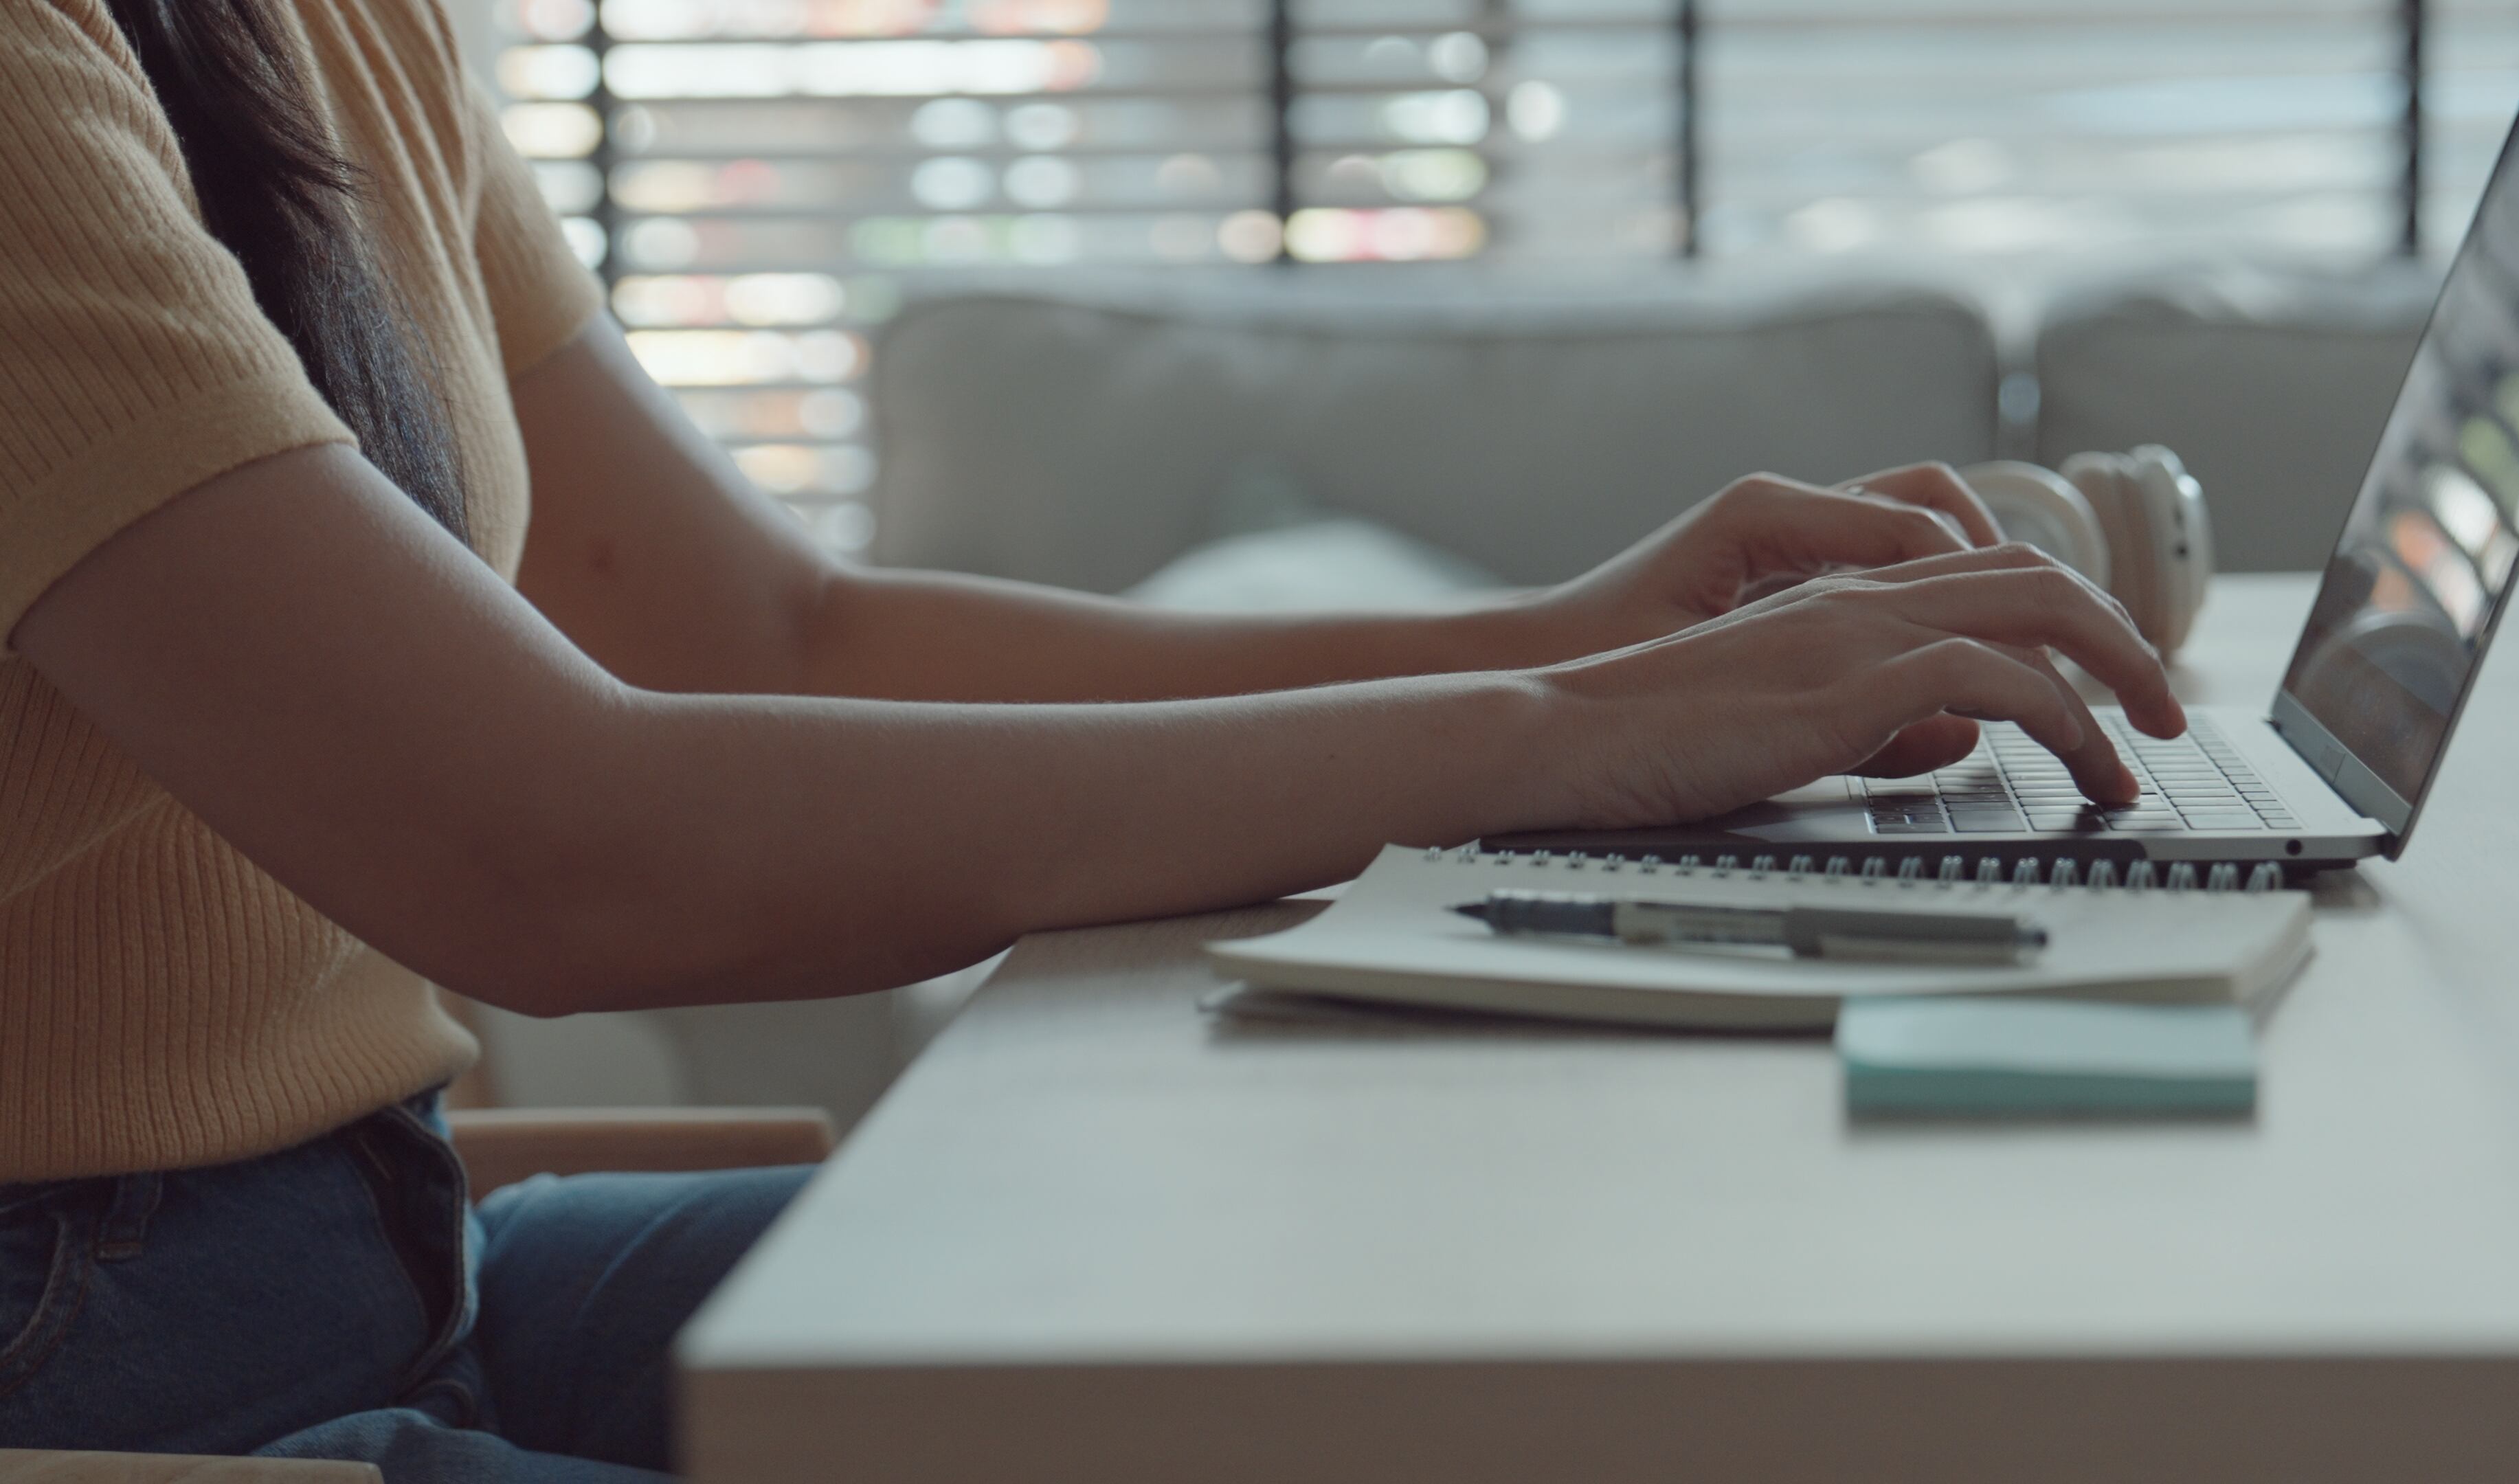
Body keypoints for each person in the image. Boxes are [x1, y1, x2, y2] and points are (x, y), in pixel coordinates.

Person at [0, 0, 2180, 1477]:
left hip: (373, 1251)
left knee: (1360, 1339)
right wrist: (1562, 732)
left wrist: (1580, 643)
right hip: (112, 1369)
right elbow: (551, 850)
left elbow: (782, 629)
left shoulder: (321, 31)